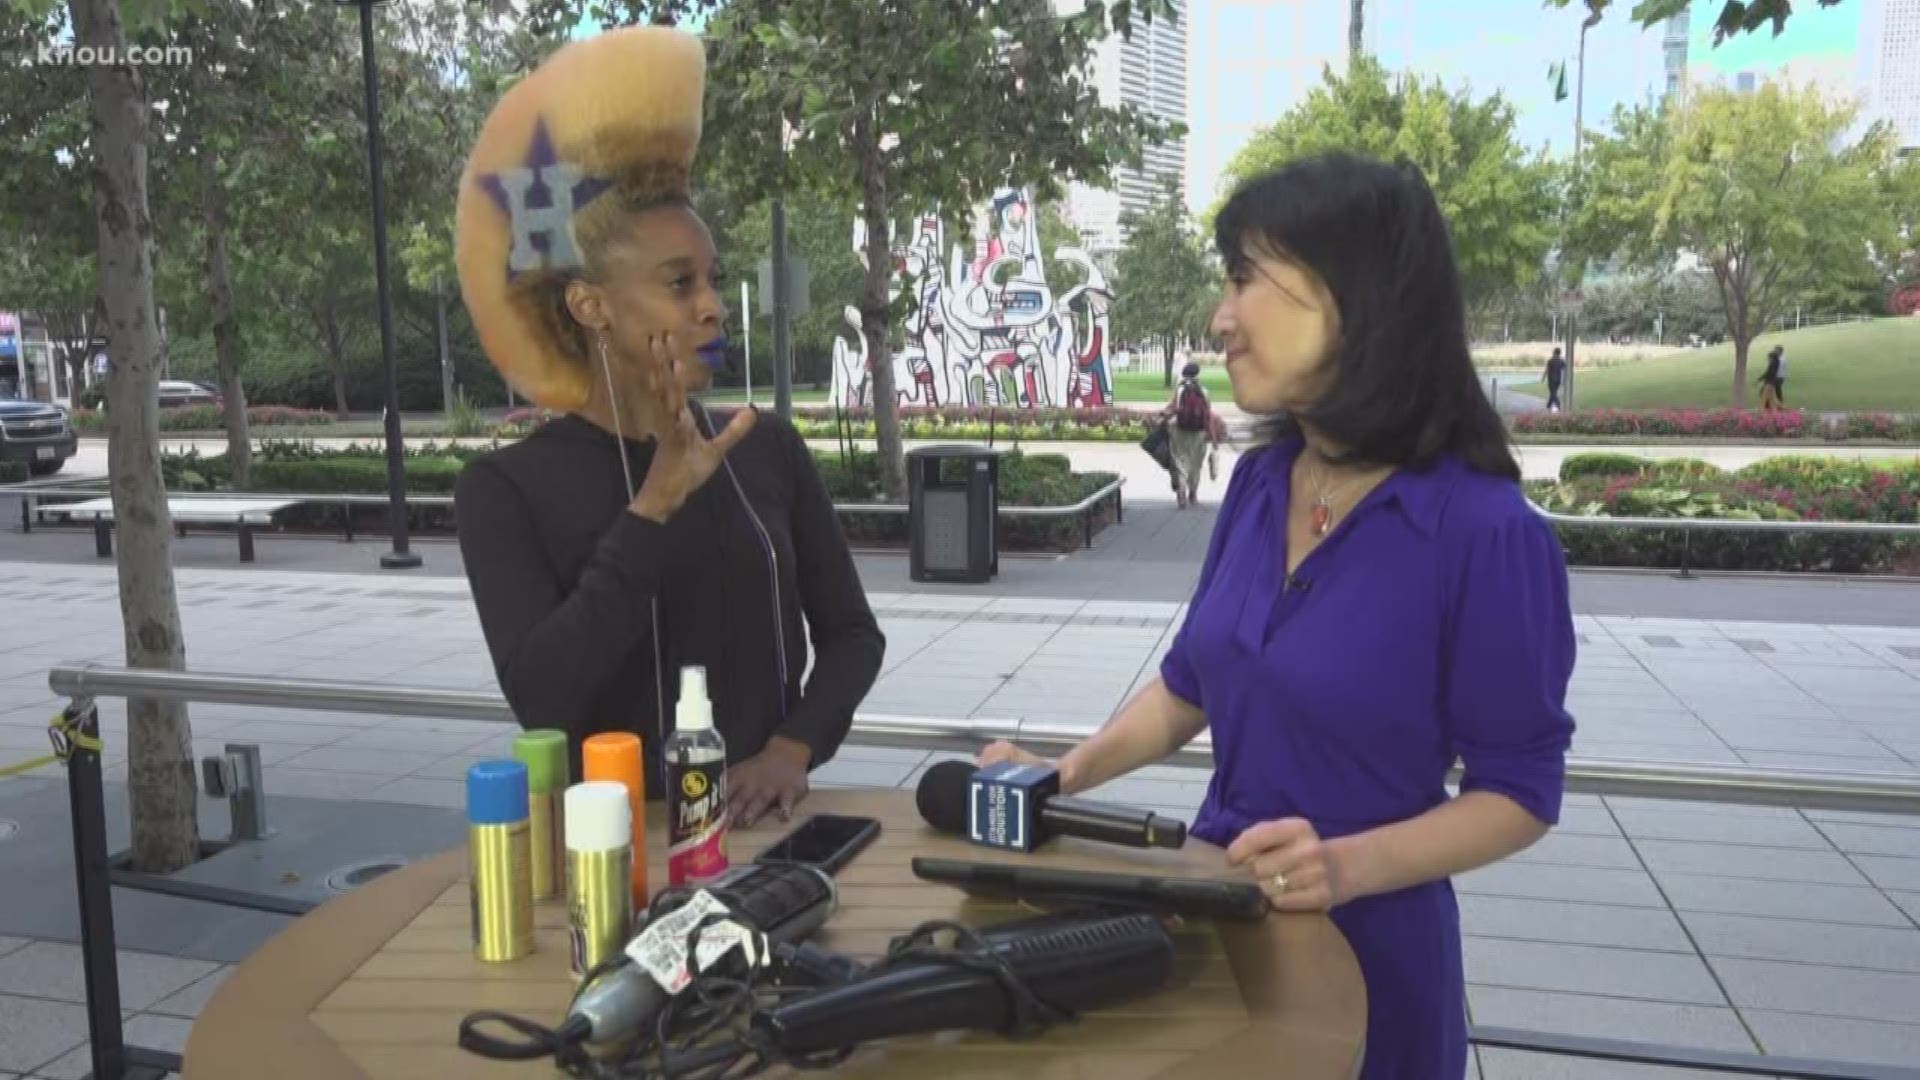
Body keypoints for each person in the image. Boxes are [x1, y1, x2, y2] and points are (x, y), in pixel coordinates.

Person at [980, 153, 1576, 1079]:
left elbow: (1521, 794)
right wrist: (1060, 777)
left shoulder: (1485, 535)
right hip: (1220, 926)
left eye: (1244, 277)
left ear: (1357, 294)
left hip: (1374, 964)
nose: (1221, 316)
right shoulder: (1260, 485)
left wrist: (1341, 867)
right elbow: (1191, 685)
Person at [451, 27, 885, 828]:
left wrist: (795, 747)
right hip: (613, 854)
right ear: (592, 307)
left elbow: (854, 637)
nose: (713, 306)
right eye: (679, 284)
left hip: (765, 833)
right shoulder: (504, 491)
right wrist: (651, 509)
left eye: (712, 280)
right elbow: (541, 698)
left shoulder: (768, 447)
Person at [1163, 362, 1217, 508]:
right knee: (1196, 464)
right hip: (1199, 432)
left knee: (1180, 461)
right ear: (1197, 374)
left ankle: (1181, 493)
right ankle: (1193, 494)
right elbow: (1208, 415)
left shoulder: (1179, 390)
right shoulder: (1204, 391)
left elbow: (1173, 408)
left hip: (1179, 430)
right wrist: (1213, 436)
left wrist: (1163, 415)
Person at [1757, 345, 1786, 410]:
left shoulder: (1775, 362)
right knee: (1773, 398)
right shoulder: (1776, 361)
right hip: (1772, 382)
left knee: (1765, 397)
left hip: (1771, 382)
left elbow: (1769, 373)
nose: (1768, 359)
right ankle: (1776, 409)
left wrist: (1761, 379)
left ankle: (1766, 409)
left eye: (1769, 358)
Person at [1543, 346, 1566, 411]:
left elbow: (1547, 370)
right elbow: (1564, 370)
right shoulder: (1562, 361)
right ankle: (1549, 405)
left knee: (1553, 393)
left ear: (1555, 353)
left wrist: (1543, 378)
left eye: (1553, 352)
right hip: (1558, 379)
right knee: (1553, 392)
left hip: (1551, 379)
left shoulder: (1550, 361)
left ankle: (1558, 405)